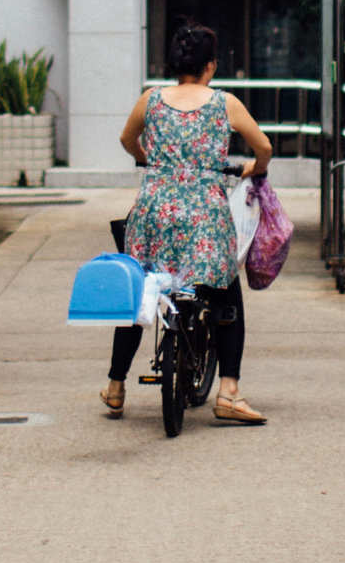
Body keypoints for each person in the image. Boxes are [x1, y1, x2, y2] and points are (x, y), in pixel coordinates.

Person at [99, 23, 273, 425]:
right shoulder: (224, 103)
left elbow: (128, 141)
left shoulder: (151, 99)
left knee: (140, 292)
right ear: (210, 66)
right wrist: (253, 168)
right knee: (226, 292)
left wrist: (150, 160)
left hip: (153, 213)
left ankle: (115, 387)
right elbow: (263, 146)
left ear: (176, 63)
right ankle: (228, 392)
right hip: (205, 217)